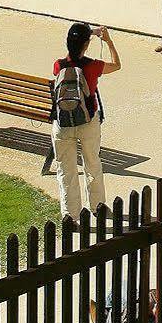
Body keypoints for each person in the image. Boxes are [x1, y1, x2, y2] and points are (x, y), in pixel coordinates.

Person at [51, 21, 121, 218]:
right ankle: (98, 206)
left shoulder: (58, 65)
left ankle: (69, 215)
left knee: (66, 170)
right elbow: (117, 64)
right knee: (92, 163)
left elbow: (72, 52)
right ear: (87, 44)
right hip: (88, 122)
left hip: (62, 124)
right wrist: (107, 41)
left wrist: (87, 34)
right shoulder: (93, 66)